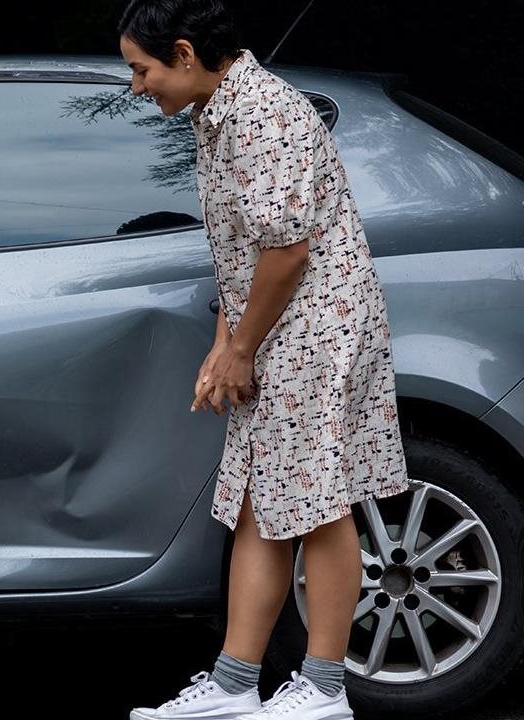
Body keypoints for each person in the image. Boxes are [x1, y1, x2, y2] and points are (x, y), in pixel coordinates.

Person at [118, 2, 409, 718]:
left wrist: (241, 347)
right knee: (258, 497)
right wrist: (224, 347)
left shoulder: (262, 117)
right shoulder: (213, 112)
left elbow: (287, 252)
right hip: (277, 324)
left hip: (318, 328)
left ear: (184, 54)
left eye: (141, 69)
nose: (137, 86)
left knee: (316, 501)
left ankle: (324, 689)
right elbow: (240, 250)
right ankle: (234, 683)